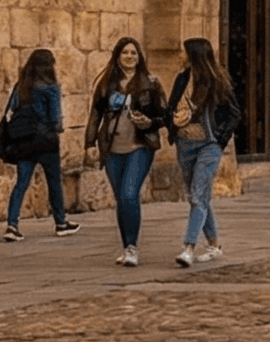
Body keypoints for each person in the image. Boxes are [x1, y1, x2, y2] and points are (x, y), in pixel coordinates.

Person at [84, 38, 167, 264]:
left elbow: (164, 116)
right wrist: (89, 145)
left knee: (130, 194)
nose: (129, 57)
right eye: (125, 53)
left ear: (139, 57)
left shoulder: (151, 83)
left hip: (139, 146)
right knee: (121, 198)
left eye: (133, 53)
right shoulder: (106, 84)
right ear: (118, 56)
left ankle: (132, 247)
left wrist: (148, 122)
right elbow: (95, 116)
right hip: (111, 148)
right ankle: (125, 245)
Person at [168, 37, 237, 267]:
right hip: (185, 144)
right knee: (199, 197)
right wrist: (170, 124)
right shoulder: (181, 78)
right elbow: (171, 107)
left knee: (198, 194)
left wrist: (219, 140)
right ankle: (214, 244)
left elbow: (234, 113)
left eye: (184, 52)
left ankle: (188, 247)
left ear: (194, 54)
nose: (180, 55)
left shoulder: (216, 82)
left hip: (209, 144)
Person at [0, 48, 78, 242]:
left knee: (21, 183)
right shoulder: (51, 87)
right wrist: (57, 128)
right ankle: (60, 222)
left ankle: (12, 225)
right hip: (46, 142)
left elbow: (10, 111)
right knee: (54, 182)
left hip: (24, 141)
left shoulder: (21, 86)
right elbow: (56, 119)